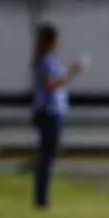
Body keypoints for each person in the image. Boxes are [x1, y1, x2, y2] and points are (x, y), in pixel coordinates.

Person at [30, 24, 87, 208]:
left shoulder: (49, 59)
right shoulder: (45, 60)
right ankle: (41, 198)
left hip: (52, 111)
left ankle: (42, 196)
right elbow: (50, 84)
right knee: (47, 155)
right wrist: (73, 72)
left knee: (48, 154)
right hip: (49, 112)